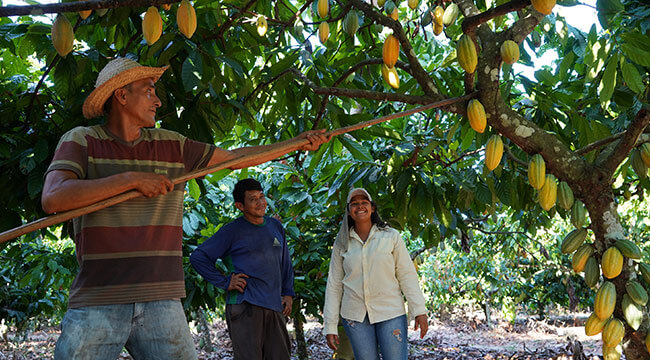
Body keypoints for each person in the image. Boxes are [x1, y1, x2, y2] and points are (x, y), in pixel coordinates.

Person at [41, 57, 329, 359]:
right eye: (149, 90)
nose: (158, 100)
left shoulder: (173, 145)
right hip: (100, 296)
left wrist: (296, 143)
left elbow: (235, 158)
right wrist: (131, 180)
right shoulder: (83, 140)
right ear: (122, 96)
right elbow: (54, 197)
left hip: (161, 298)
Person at [189, 178, 294, 360]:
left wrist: (288, 293)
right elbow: (198, 257)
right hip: (246, 306)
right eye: (253, 199)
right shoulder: (232, 231)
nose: (260, 202)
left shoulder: (275, 226)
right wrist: (225, 281)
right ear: (240, 205)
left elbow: (285, 262)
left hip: (274, 305)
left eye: (261, 196)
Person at [322, 188, 429, 360]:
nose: (360, 207)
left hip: (390, 312)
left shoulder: (390, 237)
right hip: (355, 316)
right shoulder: (342, 243)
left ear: (372, 208)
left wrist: (419, 311)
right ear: (349, 212)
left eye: (364, 203)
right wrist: (330, 325)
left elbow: (406, 275)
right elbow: (334, 284)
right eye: (354, 204)